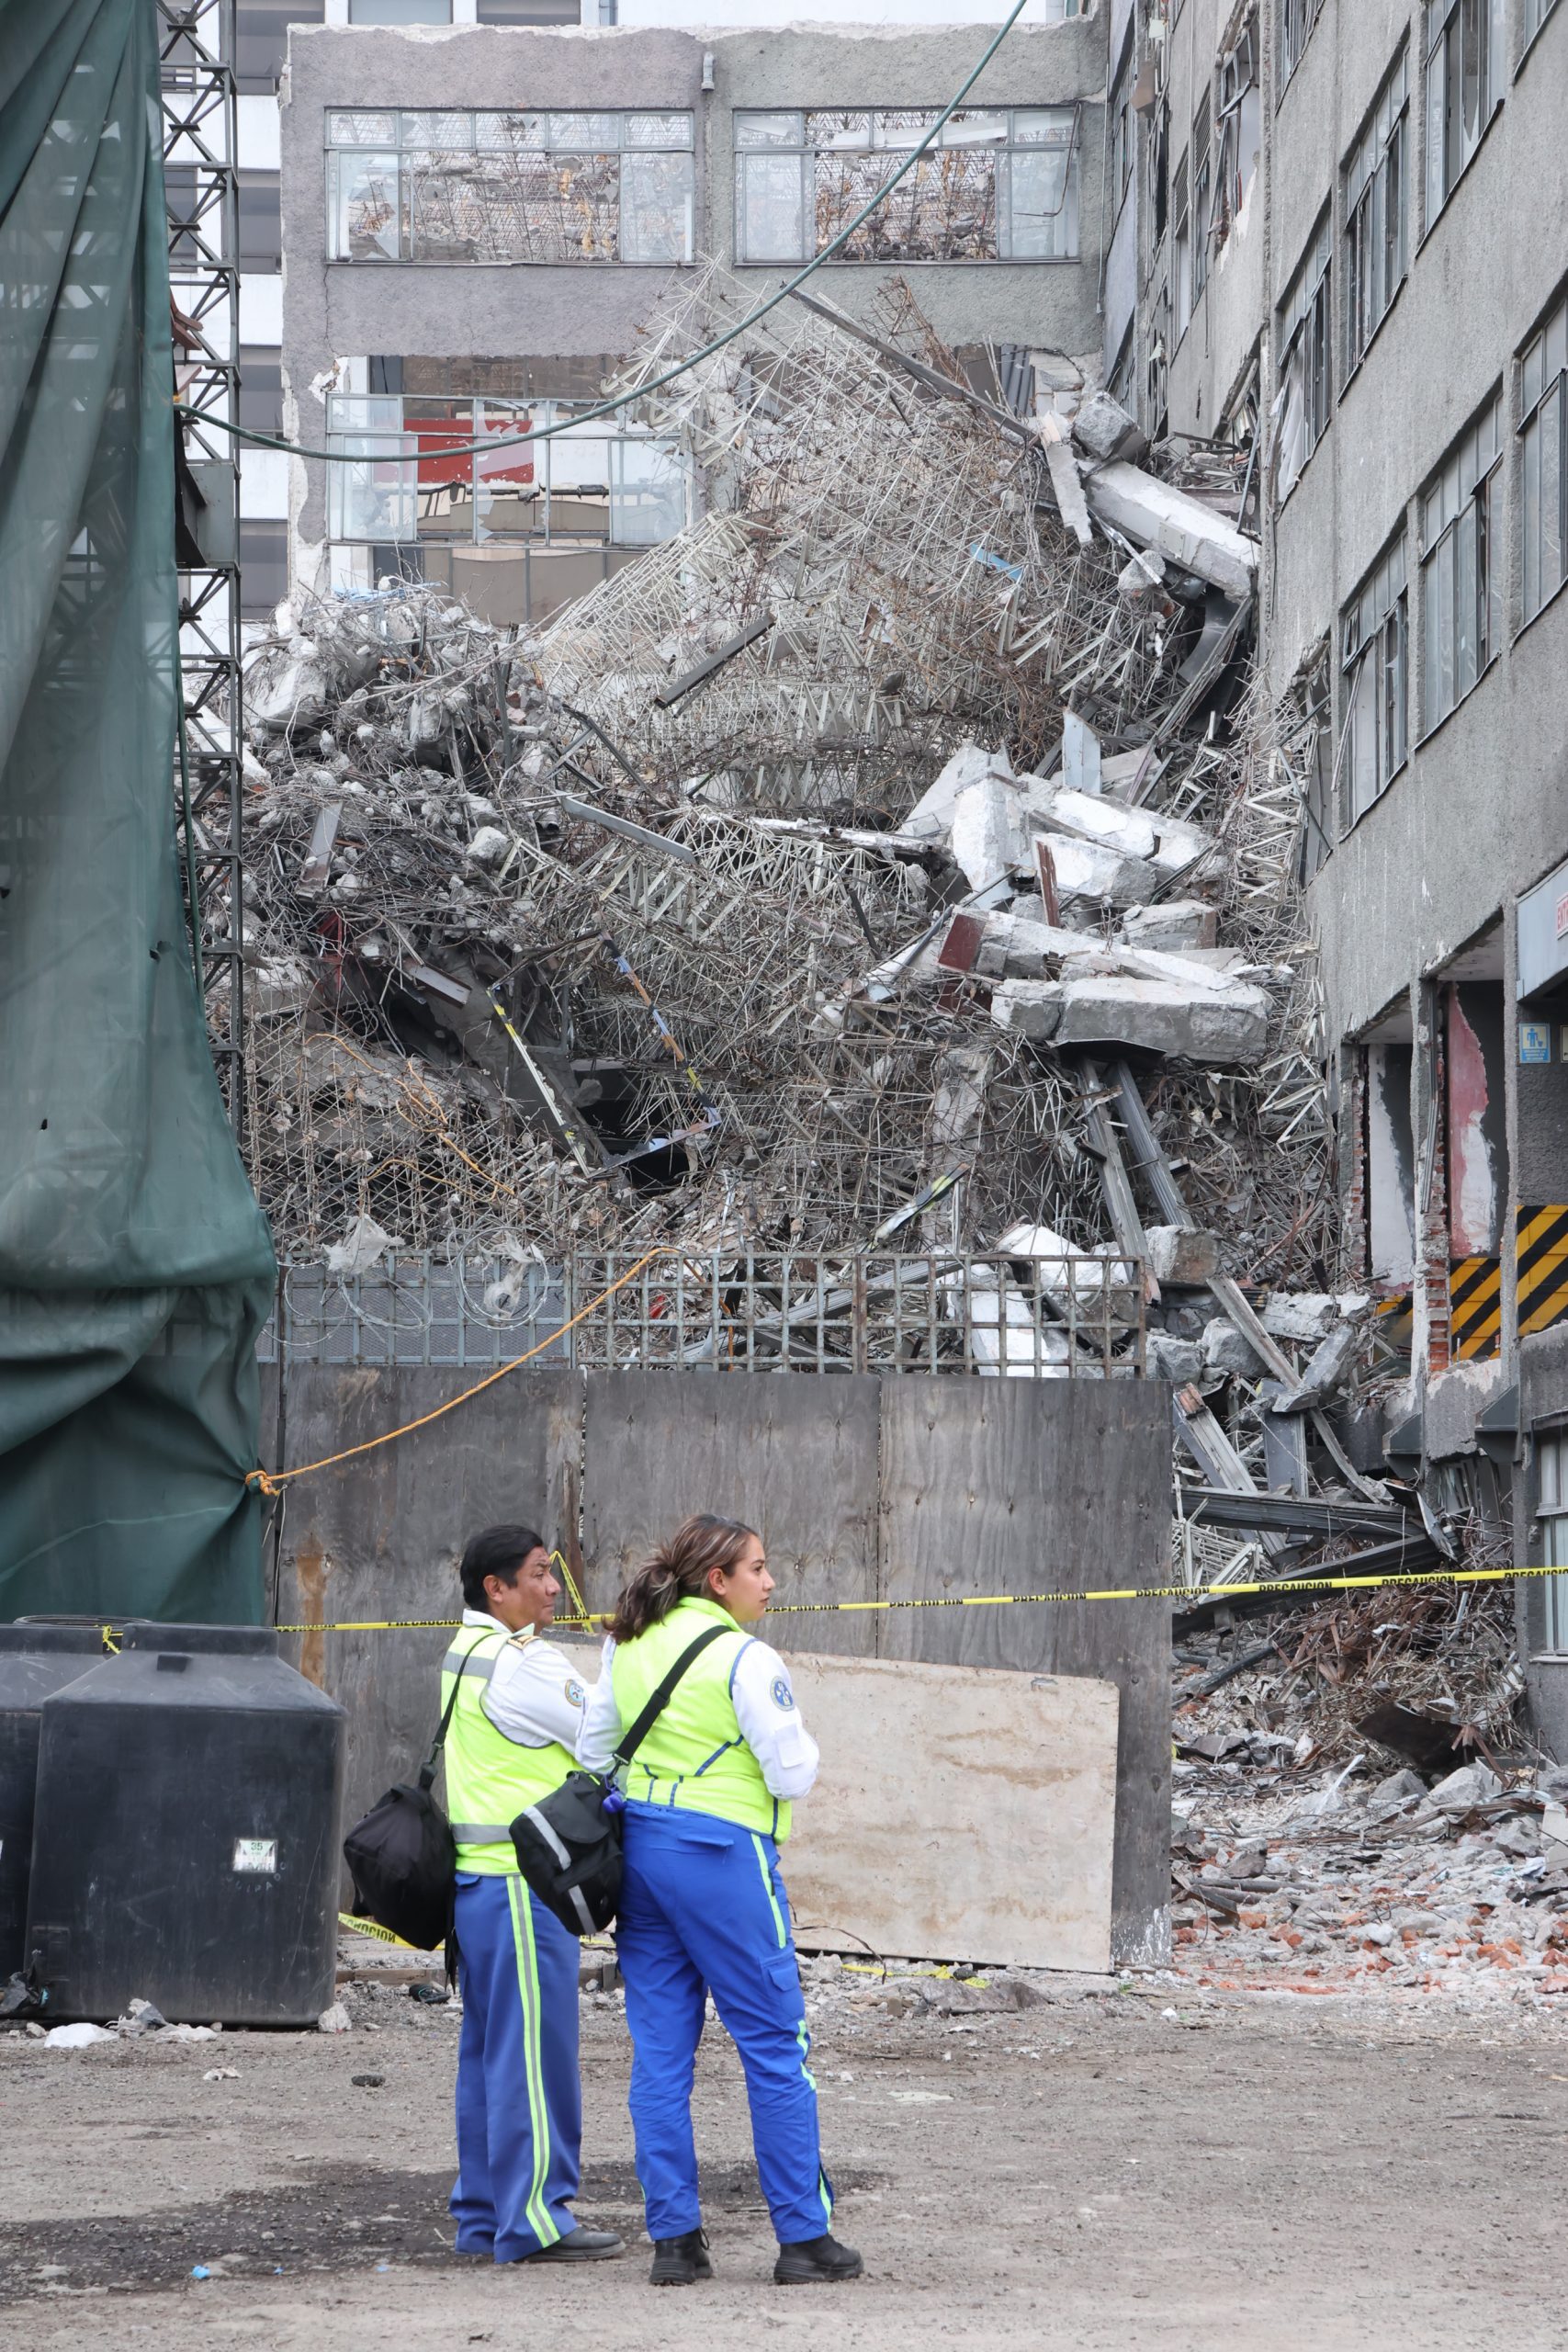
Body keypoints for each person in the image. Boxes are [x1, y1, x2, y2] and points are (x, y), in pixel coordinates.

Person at [577, 1513, 863, 2290]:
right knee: (774, 2048)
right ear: (718, 1580)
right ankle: (802, 2239)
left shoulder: (626, 1644)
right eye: (759, 1569)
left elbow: (591, 1750)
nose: (770, 1582)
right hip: (723, 1860)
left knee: (660, 2058)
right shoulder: (745, 1656)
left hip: (641, 1858)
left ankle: (675, 2242)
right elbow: (791, 1774)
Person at [443, 1523, 623, 2266]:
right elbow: (602, 1734)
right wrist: (620, 1658)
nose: (554, 1588)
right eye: (540, 1574)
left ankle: (485, 2217)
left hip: (479, 1888)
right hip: (522, 1890)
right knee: (535, 2058)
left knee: (489, 2057)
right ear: (497, 1587)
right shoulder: (521, 1666)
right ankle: (536, 2220)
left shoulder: (467, 1654)